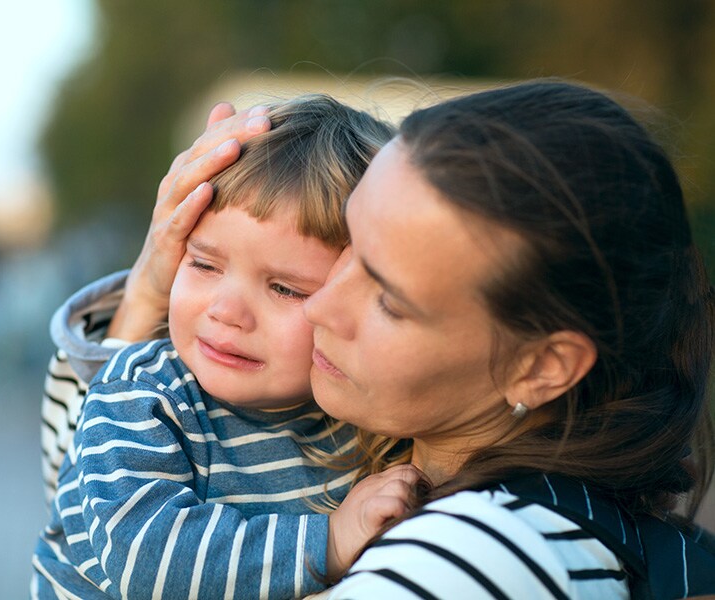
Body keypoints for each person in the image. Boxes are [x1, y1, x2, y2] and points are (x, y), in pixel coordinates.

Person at [46, 79, 715, 598]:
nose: (322, 310)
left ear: (541, 367)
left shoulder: (466, 559)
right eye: (348, 257)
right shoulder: (399, 450)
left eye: (388, 299)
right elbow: (88, 501)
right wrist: (144, 296)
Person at [32, 95, 419, 599]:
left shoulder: (361, 422)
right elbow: (146, 558)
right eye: (204, 265)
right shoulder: (143, 394)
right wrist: (329, 540)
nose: (226, 311)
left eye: (285, 288)